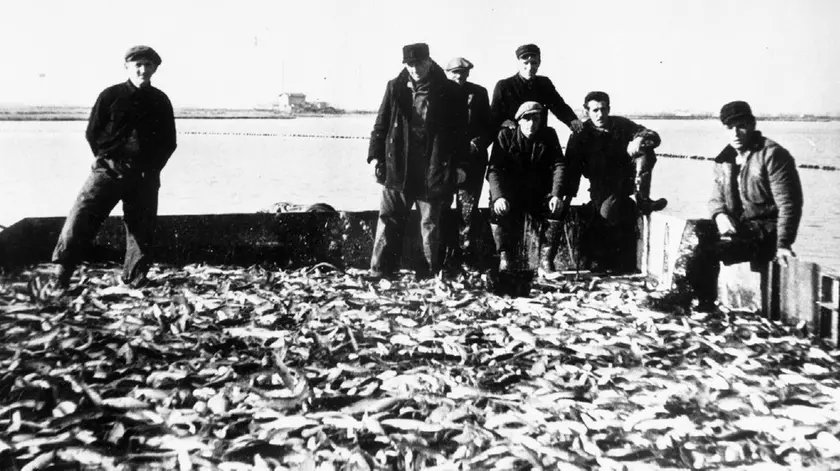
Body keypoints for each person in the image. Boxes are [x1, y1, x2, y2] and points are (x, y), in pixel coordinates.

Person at [52, 45, 177, 289]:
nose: (143, 69)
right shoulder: (110, 95)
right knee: (81, 216)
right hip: (109, 170)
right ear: (127, 67)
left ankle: (135, 277)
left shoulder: (160, 100)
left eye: (148, 65)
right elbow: (92, 132)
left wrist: (153, 169)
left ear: (155, 68)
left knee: (142, 227)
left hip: (144, 174)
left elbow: (169, 142)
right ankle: (61, 275)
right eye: (137, 64)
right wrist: (104, 160)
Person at [367, 43, 469, 279]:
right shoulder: (394, 87)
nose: (414, 69)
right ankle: (380, 271)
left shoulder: (450, 92)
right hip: (398, 167)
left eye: (419, 63)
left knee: (430, 225)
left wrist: (462, 165)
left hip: (432, 168)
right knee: (388, 219)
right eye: (410, 64)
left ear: (429, 61)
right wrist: (374, 159)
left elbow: (461, 134)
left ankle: (429, 274)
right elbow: (380, 126)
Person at [709, 101, 803, 270]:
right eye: (730, 128)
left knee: (708, 252)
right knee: (696, 232)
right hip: (741, 229)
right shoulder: (724, 159)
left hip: (766, 234)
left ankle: (697, 296)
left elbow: (788, 204)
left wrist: (783, 244)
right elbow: (716, 199)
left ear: (752, 125)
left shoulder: (772, 155)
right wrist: (720, 215)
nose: (736, 133)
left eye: (741, 126)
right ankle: (696, 295)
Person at [486, 101, 570, 275]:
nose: (532, 124)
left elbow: (559, 165)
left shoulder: (549, 135)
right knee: (498, 211)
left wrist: (556, 194)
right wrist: (498, 197)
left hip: (538, 193)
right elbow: (494, 170)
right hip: (512, 194)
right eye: (527, 119)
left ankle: (546, 262)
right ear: (519, 121)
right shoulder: (505, 136)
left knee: (557, 210)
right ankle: (505, 259)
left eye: (536, 119)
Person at [566, 91, 668, 224]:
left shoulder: (621, 124)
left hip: (627, 180)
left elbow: (654, 137)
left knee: (646, 150)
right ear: (586, 112)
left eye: (603, 109)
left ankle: (643, 200)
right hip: (602, 187)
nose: (600, 114)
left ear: (609, 109)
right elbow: (572, 170)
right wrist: (566, 200)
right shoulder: (580, 135)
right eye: (595, 110)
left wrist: (640, 138)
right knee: (606, 218)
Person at [443, 57, 493, 269]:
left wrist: (479, 142)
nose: (459, 77)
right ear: (448, 73)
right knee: (443, 208)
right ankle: (446, 255)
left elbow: (490, 126)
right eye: (454, 72)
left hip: (473, 162)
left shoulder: (479, 93)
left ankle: (466, 257)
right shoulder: (439, 93)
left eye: (462, 73)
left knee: (467, 211)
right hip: (446, 162)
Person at [490, 44, 583, 135]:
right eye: (525, 63)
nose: (530, 67)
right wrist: (502, 122)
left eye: (533, 63)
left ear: (539, 63)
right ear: (518, 63)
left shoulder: (544, 83)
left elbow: (559, 106)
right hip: (512, 139)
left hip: (538, 140)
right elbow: (493, 115)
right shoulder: (504, 85)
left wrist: (572, 120)